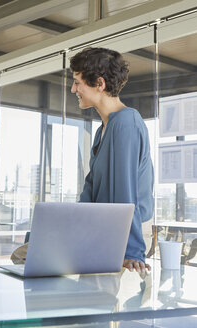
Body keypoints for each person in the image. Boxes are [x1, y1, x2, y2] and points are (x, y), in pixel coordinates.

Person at [70, 47, 154, 273]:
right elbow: (91, 186)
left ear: (99, 84)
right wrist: (72, 226)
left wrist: (132, 252)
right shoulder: (103, 130)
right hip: (108, 228)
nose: (73, 89)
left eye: (78, 82)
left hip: (128, 233)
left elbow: (125, 191)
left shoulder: (126, 122)